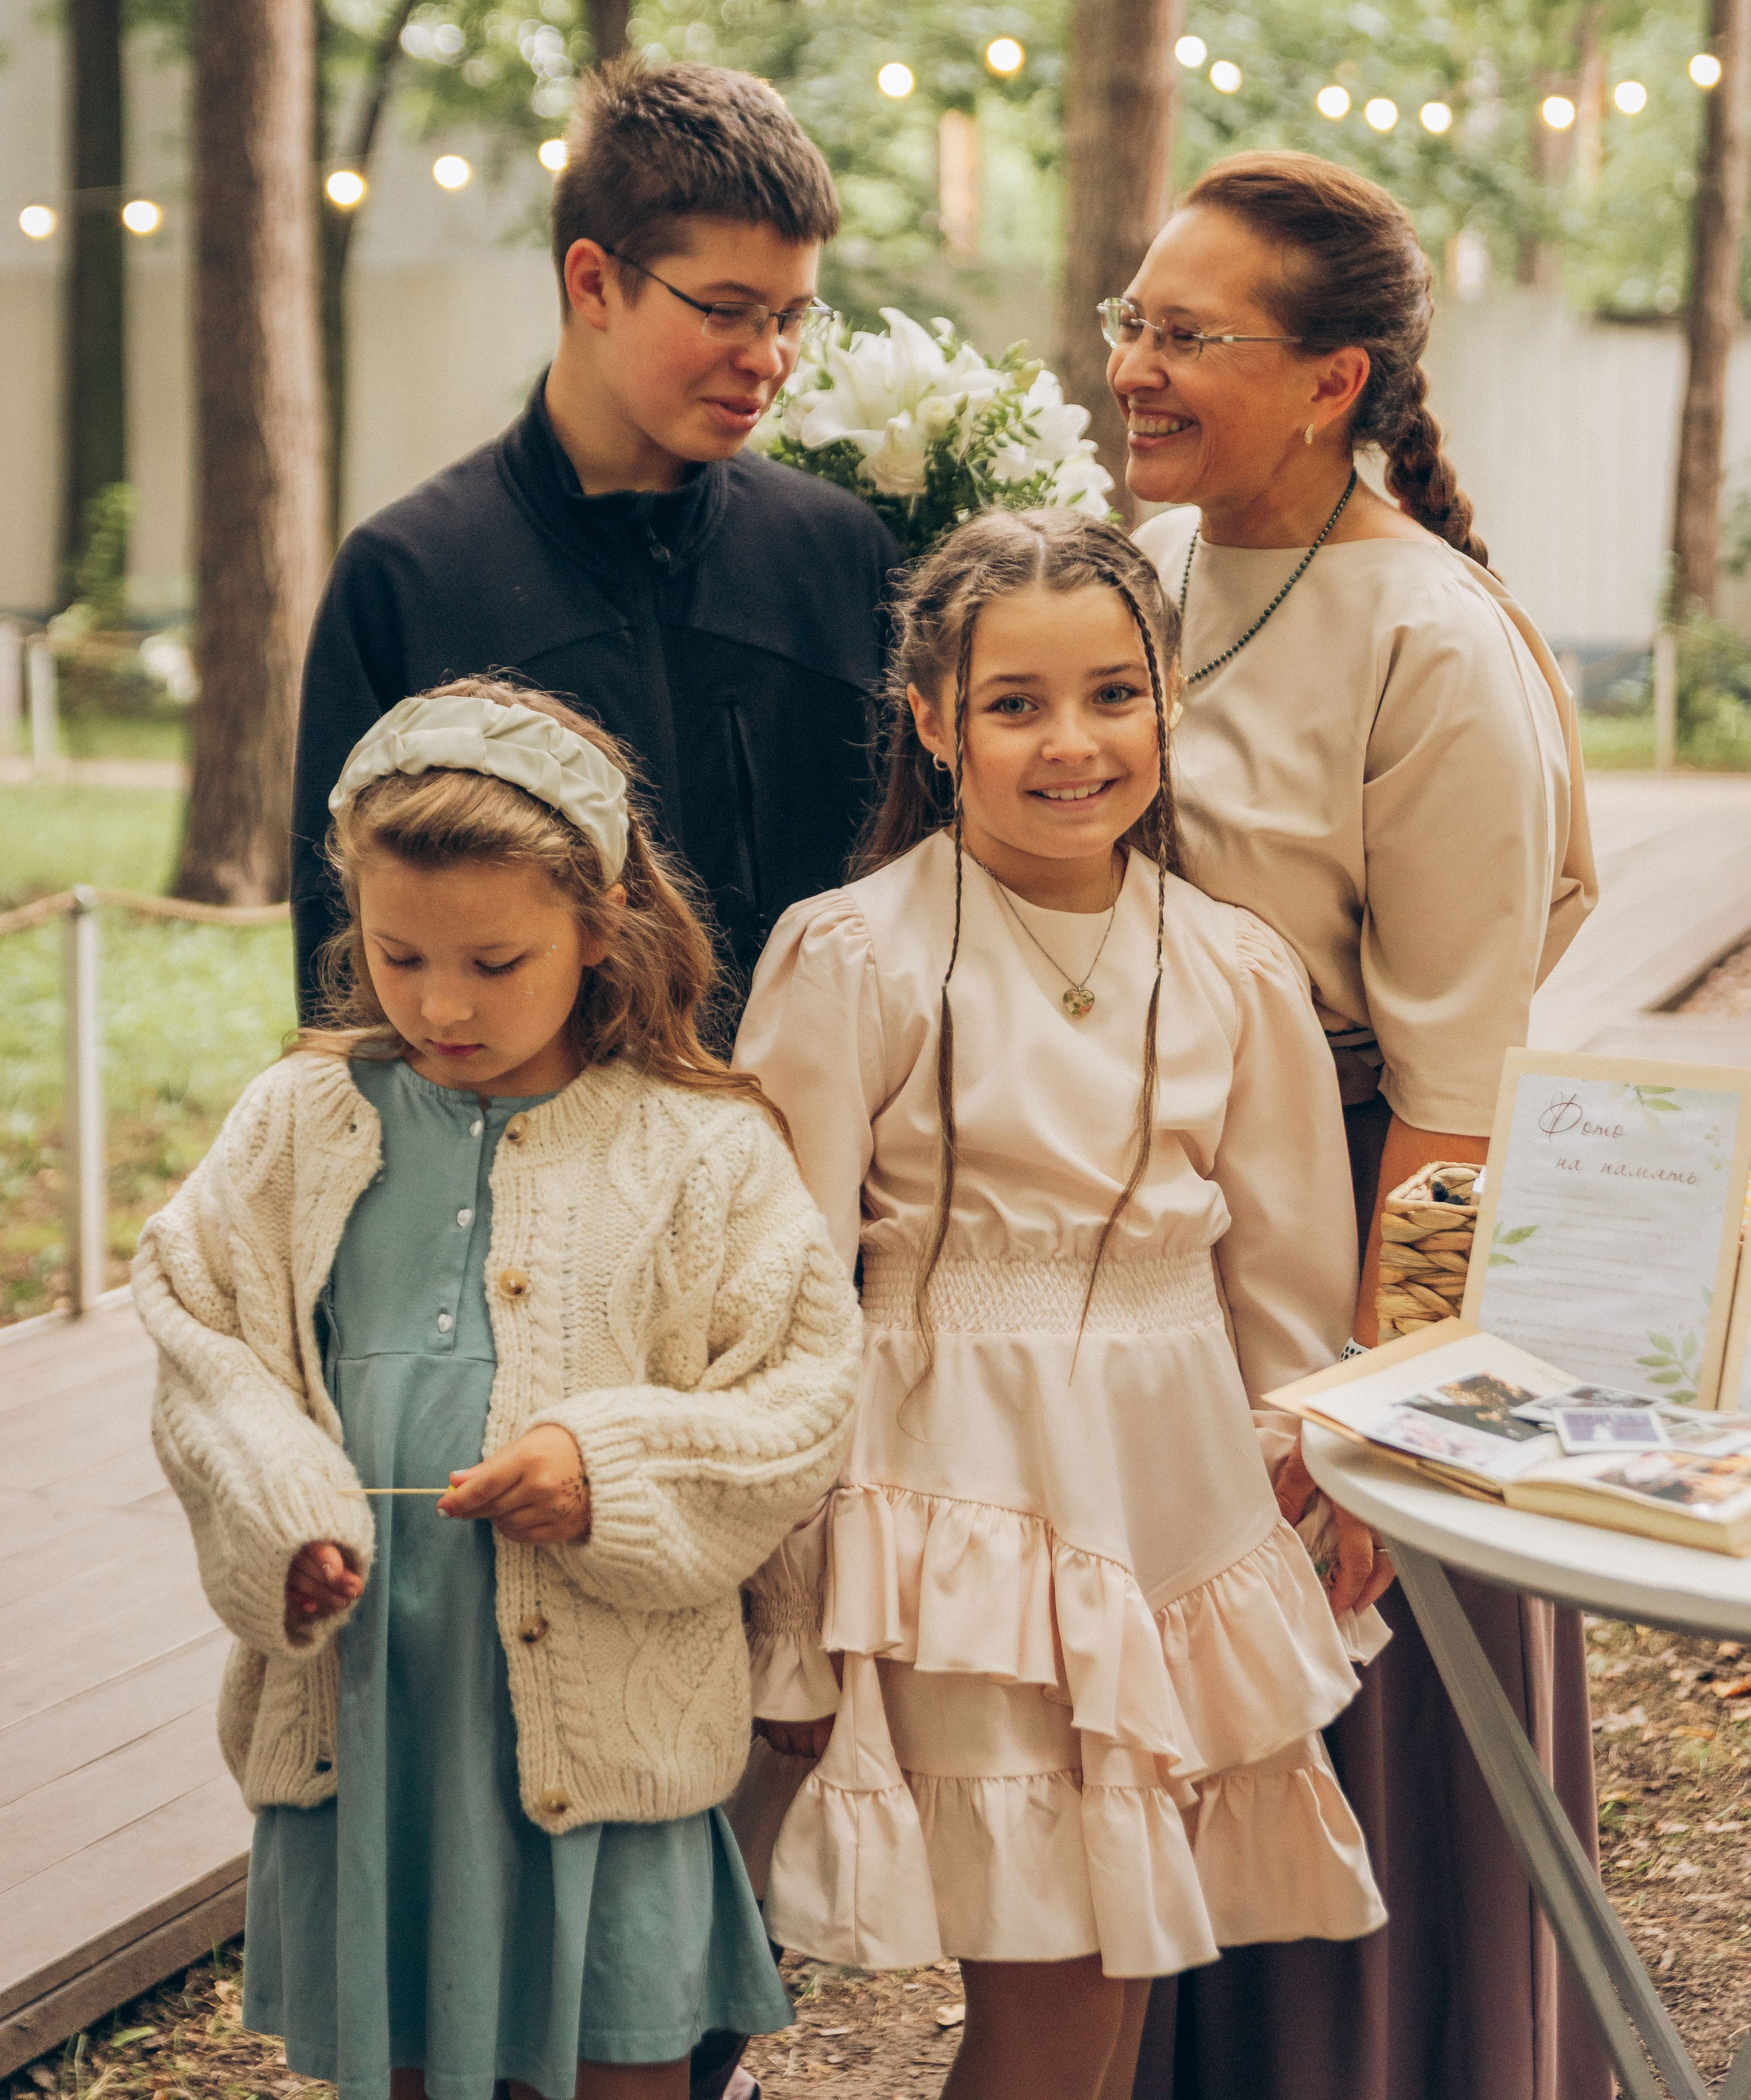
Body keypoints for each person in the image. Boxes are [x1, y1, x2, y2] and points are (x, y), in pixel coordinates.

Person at [730, 510, 1390, 2100]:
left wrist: (1326, 1455)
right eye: (1015, 704)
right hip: (954, 1507)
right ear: (935, 722)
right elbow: (778, 1292)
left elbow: (1289, 1277)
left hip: (1169, 1496)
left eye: (1112, 693)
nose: (1070, 742)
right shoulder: (852, 955)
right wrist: (794, 1597)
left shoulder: (1232, 967)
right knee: (1059, 1977)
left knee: (1120, 1965)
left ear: (1168, 699)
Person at [133, 679, 863, 2100]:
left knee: (621, 2064)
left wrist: (615, 1469)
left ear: (598, 930)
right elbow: (198, 1332)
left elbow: (802, 1392)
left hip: (611, 1731)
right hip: (376, 1717)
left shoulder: (699, 1151)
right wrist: (279, 1510)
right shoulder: (299, 1121)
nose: (440, 1004)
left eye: (493, 960)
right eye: (399, 957)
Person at [1114, 151, 1604, 2100]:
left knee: (1350, 1763)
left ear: (1331, 381)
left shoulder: (1434, 643)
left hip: (1351, 1276)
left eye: (1186, 335)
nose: (1136, 367)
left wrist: (1367, 1425)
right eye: (1131, 323)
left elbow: (1460, 1107)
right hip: (1155, 1262)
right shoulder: (1140, 573)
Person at [289, 58, 900, 1024]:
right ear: (594, 281)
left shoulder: (840, 556)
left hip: (819, 1152)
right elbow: (348, 982)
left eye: (791, 315)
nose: (769, 357)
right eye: (727, 308)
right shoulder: (407, 578)